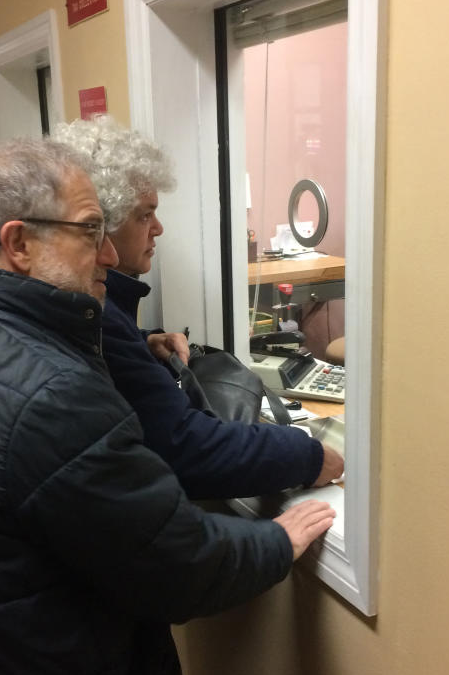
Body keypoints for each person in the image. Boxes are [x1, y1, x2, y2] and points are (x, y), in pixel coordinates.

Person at [0, 137, 336, 675]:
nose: (110, 257)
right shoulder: (53, 398)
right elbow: (177, 568)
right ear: (19, 243)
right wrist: (276, 540)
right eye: (90, 231)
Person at [52, 115, 344, 499]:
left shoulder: (96, 309)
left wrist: (143, 341)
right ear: (99, 225)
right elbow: (186, 449)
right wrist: (309, 456)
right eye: (144, 215)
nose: (158, 228)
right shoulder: (100, 316)